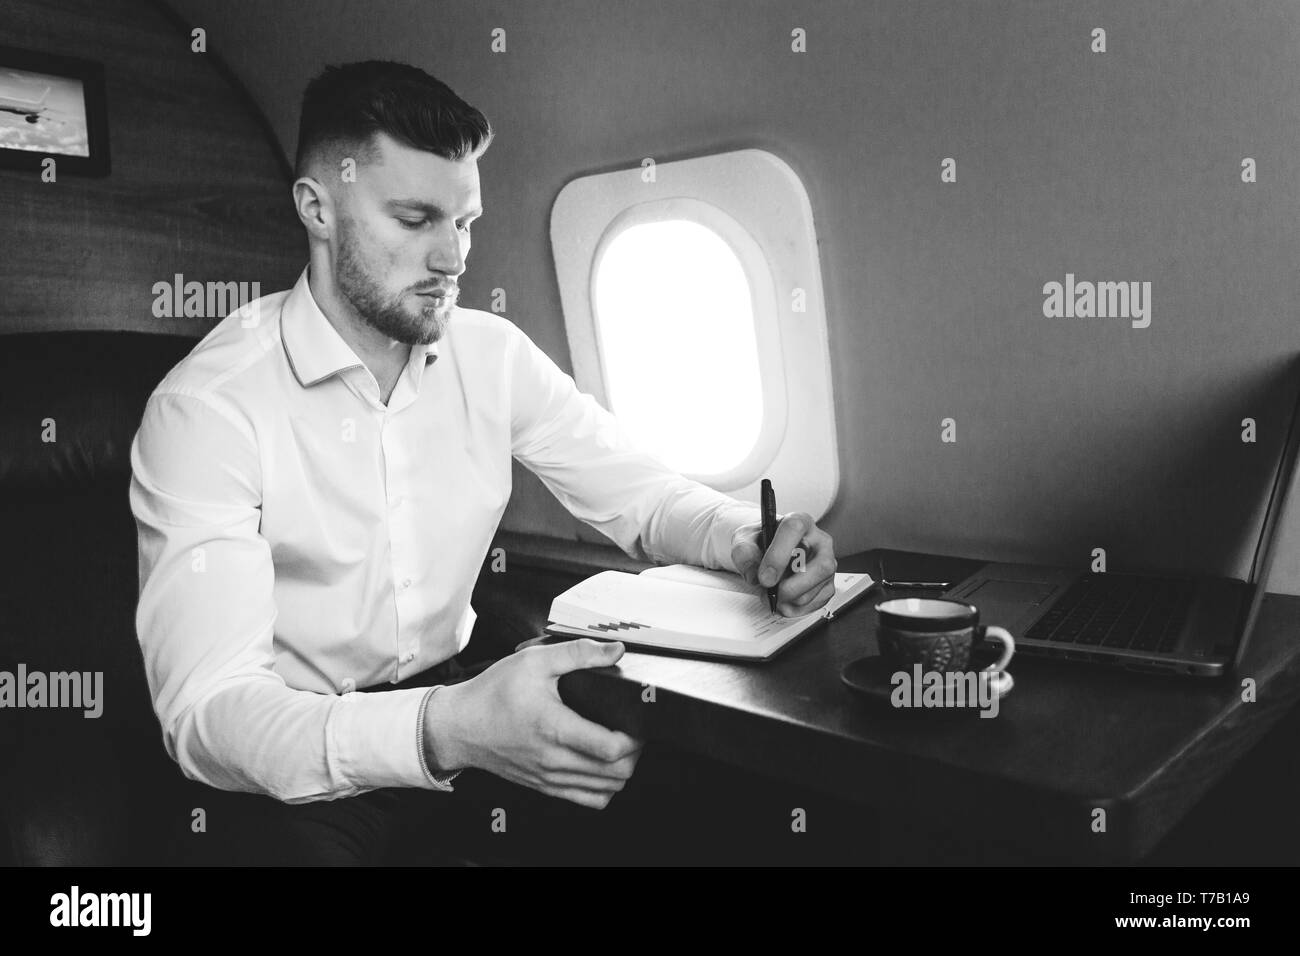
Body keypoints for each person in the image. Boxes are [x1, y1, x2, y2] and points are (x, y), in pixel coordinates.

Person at [129, 59, 839, 865]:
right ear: (316, 208)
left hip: (464, 691)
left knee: (714, 801)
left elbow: (640, 496)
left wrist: (746, 538)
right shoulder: (207, 408)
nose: (452, 258)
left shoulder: (491, 355)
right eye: (415, 219)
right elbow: (210, 716)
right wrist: (446, 728)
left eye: (464, 223)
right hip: (291, 759)